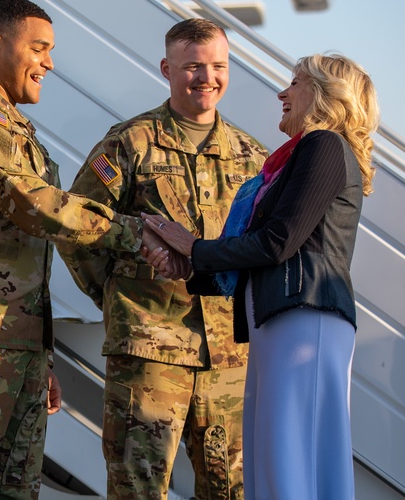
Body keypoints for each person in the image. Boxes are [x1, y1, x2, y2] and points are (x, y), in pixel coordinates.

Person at [0, 0, 147, 500]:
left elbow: (25, 255)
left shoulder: (17, 128)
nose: (49, 62)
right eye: (39, 47)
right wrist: (139, 234)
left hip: (12, 342)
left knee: (16, 490)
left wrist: (40, 356)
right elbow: (35, 205)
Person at [142, 53, 380, 500]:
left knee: (292, 461)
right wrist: (191, 266)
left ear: (327, 95)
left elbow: (278, 241)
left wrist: (194, 248)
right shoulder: (291, 160)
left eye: (296, 83)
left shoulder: (324, 144)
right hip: (281, 321)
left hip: (304, 321)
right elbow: (269, 255)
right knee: (274, 460)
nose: (282, 93)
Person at [63, 17, 267, 500]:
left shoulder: (251, 157)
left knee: (230, 489)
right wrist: (115, 295)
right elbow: (77, 227)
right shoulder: (129, 144)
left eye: (218, 66)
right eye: (193, 67)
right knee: (138, 485)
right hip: (150, 350)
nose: (207, 78)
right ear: (167, 69)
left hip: (228, 358)